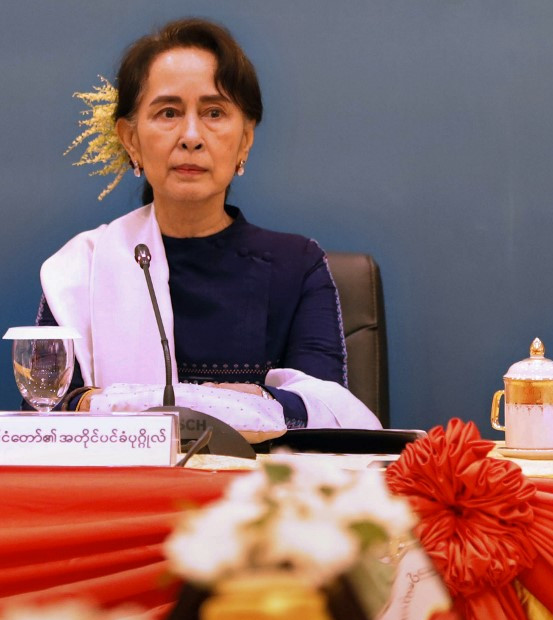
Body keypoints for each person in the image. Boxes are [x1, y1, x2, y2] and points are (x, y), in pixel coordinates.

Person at [37, 18, 379, 431]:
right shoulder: (83, 270)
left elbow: (327, 412)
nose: (192, 136)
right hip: (120, 493)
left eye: (214, 112)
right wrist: (239, 402)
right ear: (130, 139)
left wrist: (116, 403)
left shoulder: (297, 266)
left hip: (256, 493)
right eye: (168, 112)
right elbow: (49, 414)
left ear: (245, 139)